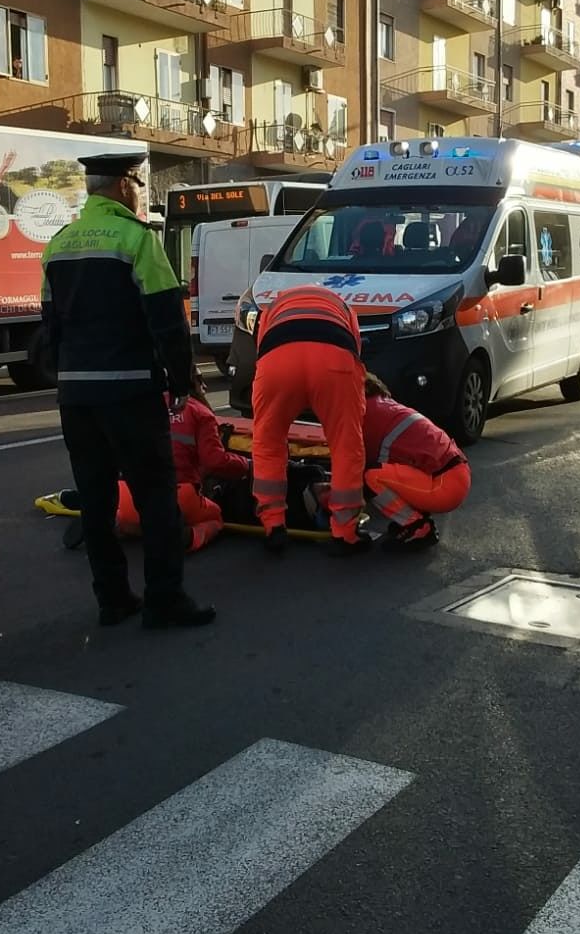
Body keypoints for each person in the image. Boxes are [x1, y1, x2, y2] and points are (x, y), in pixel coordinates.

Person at [41, 153, 215, 630]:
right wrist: (183, 383)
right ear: (122, 185)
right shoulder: (138, 240)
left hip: (76, 398)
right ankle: (165, 600)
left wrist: (71, 374)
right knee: (156, 498)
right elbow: (168, 322)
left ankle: (113, 599)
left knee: (96, 501)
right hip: (131, 394)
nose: (140, 191)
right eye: (139, 182)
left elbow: (50, 326)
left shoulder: (58, 245)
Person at [251, 285, 369, 556]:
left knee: (268, 440)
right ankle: (344, 532)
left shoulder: (274, 305)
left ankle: (274, 526)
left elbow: (261, 346)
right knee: (346, 444)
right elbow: (356, 347)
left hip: (278, 361)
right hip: (334, 358)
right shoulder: (342, 305)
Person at [314, 373, 469, 551]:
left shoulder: (361, 415)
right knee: (377, 473)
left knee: (369, 476)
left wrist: (326, 499)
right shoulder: (381, 405)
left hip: (443, 484)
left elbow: (352, 476)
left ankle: (416, 525)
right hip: (452, 476)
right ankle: (414, 519)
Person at [116, 370, 246, 553]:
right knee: (215, 517)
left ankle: (117, 523)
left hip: (127, 494)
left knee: (135, 516)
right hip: (177, 496)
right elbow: (214, 462)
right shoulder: (199, 412)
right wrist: (244, 465)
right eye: (201, 380)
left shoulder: (136, 407)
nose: (205, 387)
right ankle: (188, 538)